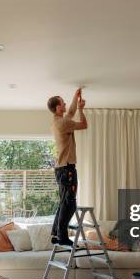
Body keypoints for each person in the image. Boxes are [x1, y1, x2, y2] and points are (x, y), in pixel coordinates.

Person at [46, 88, 88, 246]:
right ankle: (62, 237)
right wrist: (82, 109)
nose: (65, 104)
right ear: (58, 108)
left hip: (61, 168)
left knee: (64, 202)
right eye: (62, 102)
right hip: (67, 168)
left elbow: (70, 112)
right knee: (70, 204)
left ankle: (56, 234)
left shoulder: (58, 121)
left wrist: (75, 98)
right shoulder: (63, 123)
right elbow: (84, 124)